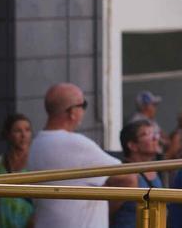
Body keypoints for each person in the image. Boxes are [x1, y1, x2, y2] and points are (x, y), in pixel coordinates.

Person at [27, 83, 134, 228]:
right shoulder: (76, 144)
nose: (84, 110)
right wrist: (107, 207)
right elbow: (128, 178)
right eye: (83, 105)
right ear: (71, 112)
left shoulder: (36, 144)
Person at [109, 121, 164, 228]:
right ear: (132, 146)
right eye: (146, 134)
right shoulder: (123, 175)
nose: (155, 138)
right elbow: (108, 212)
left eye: (154, 133)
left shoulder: (155, 169)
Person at [0, 113, 35, 228]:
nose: (24, 135)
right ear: (8, 135)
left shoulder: (36, 161)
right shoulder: (0, 163)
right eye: (18, 131)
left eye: (27, 130)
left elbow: (44, 203)